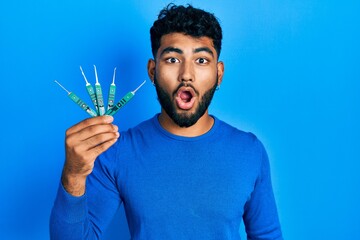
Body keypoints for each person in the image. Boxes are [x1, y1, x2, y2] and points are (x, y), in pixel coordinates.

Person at [50, 4, 283, 240]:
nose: (186, 74)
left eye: (201, 60)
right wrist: (73, 175)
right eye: (172, 59)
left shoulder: (249, 151)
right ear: (152, 71)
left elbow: (268, 235)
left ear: (219, 73)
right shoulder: (118, 152)